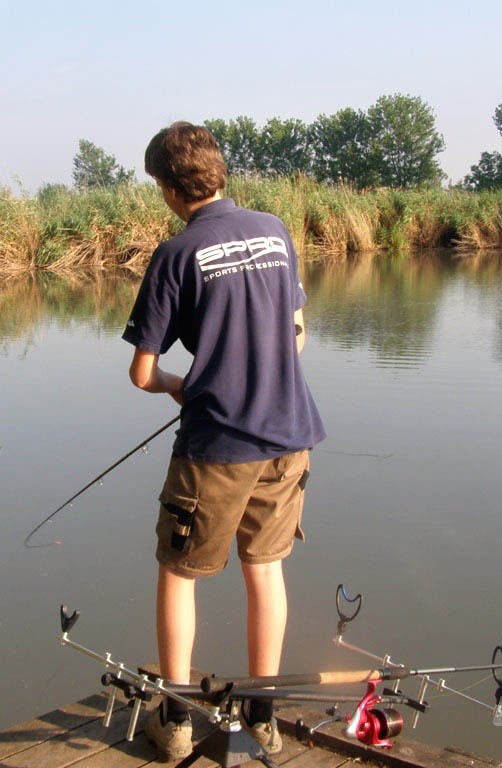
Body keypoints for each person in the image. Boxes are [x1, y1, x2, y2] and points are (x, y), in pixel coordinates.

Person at [122, 121, 326, 761]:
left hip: (216, 448)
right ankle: (262, 716)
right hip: (290, 435)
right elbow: (297, 334)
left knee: (179, 572)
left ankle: (175, 717)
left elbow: (142, 374)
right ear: (217, 172)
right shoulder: (274, 229)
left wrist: (183, 384)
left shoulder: (176, 254)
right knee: (265, 571)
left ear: (167, 187)